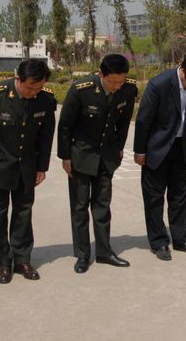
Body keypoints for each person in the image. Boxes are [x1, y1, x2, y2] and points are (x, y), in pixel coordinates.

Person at [0, 59, 56, 284]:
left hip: (27, 167)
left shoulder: (45, 99)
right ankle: (3, 261)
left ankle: (22, 259)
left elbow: (46, 137)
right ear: (18, 79)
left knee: (23, 213)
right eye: (30, 87)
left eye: (39, 88)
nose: (34, 92)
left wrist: (42, 167)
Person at [57, 55, 137, 273]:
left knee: (102, 206)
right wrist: (65, 157)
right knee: (80, 207)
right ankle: (82, 255)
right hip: (81, 155)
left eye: (121, 81)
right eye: (113, 82)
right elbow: (65, 126)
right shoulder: (80, 90)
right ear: (101, 74)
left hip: (107, 156)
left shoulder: (128, 89)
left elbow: (124, 122)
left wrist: (119, 148)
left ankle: (104, 252)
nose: (117, 86)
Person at [133, 52, 186, 261]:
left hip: (181, 146)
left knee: (178, 195)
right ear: (183, 71)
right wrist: (140, 150)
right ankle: (159, 241)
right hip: (157, 147)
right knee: (154, 197)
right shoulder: (159, 84)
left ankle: (180, 238)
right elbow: (143, 120)